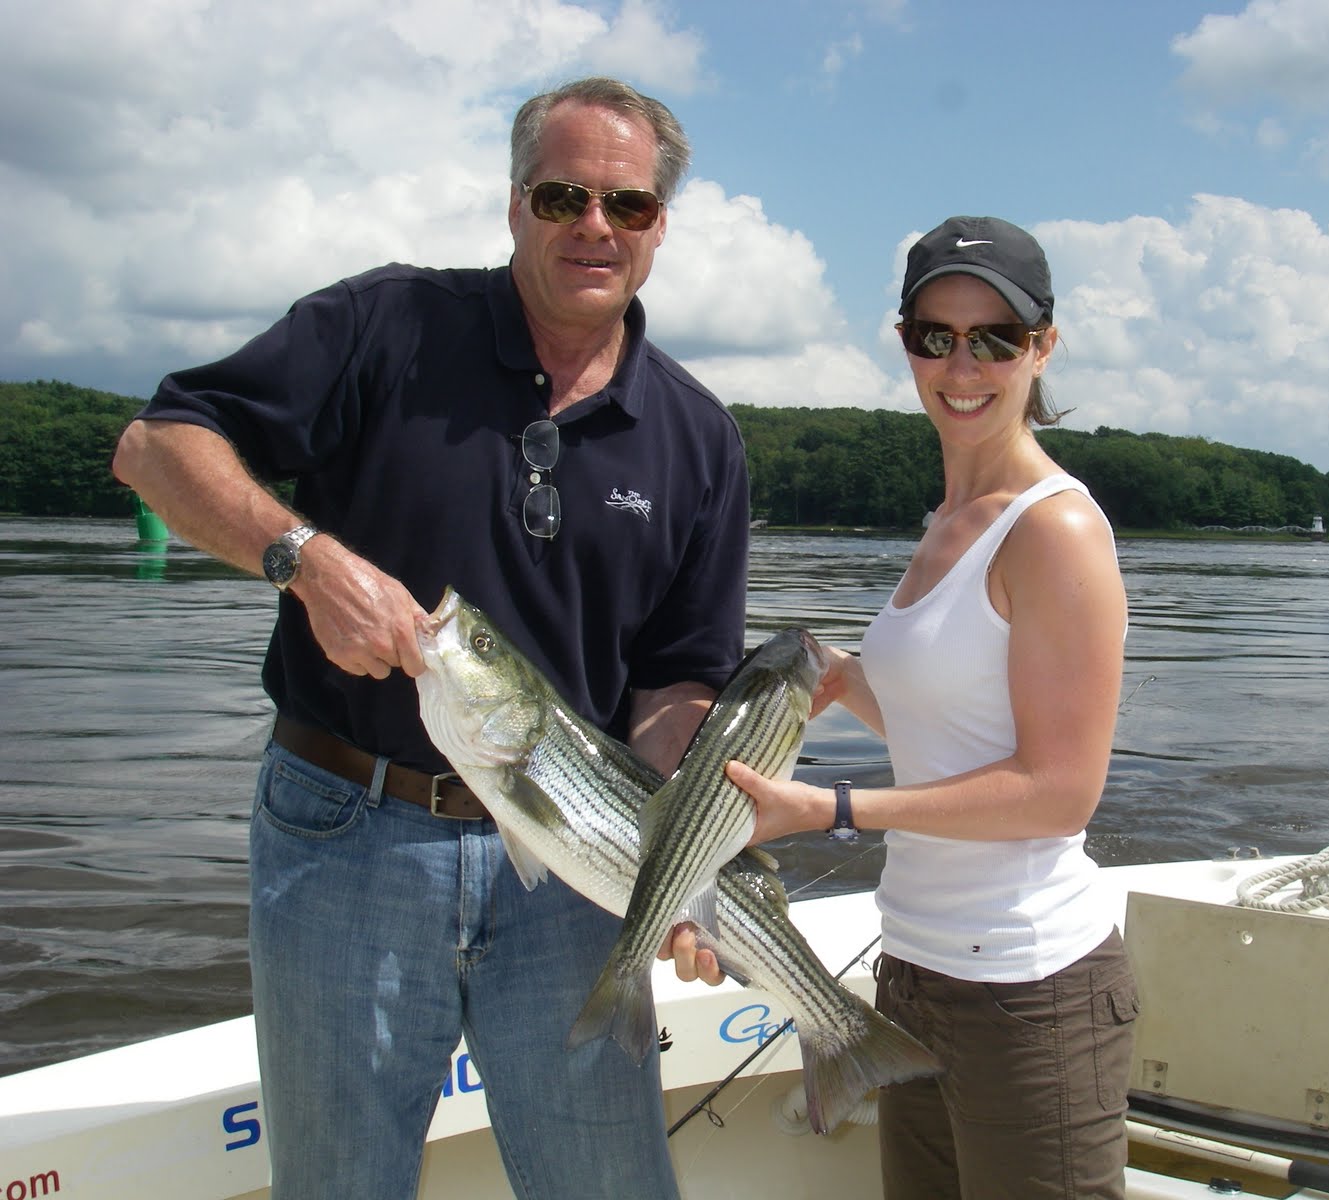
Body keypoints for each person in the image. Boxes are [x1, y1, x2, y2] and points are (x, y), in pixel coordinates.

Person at [112, 77, 749, 1199]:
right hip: (343, 833)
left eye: (627, 205)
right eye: (562, 196)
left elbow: (678, 684)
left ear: (660, 226)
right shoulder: (386, 326)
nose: (593, 226)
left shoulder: (697, 436)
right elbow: (157, 447)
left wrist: (680, 863)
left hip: (570, 863)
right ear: (514, 206)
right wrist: (301, 559)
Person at [721, 216, 1138, 1199]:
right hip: (912, 974)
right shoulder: (947, 520)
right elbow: (947, 725)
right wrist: (840, 677)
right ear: (904, 342)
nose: (963, 364)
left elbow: (1056, 794)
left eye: (995, 338)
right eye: (934, 336)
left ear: (1042, 348)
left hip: (1030, 995)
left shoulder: (1057, 531)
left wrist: (830, 810)